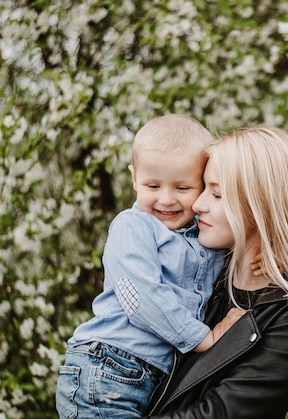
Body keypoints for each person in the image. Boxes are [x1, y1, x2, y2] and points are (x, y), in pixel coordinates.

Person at [144, 126, 288, 418]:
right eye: (202, 189)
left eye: (217, 194)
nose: (198, 204)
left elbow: (219, 414)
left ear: (260, 206)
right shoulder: (198, 270)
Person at [55, 114, 245, 418]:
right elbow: (140, 297)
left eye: (183, 188)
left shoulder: (200, 234)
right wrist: (201, 338)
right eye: (152, 185)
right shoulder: (132, 227)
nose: (166, 199)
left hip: (145, 376)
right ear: (134, 178)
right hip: (108, 368)